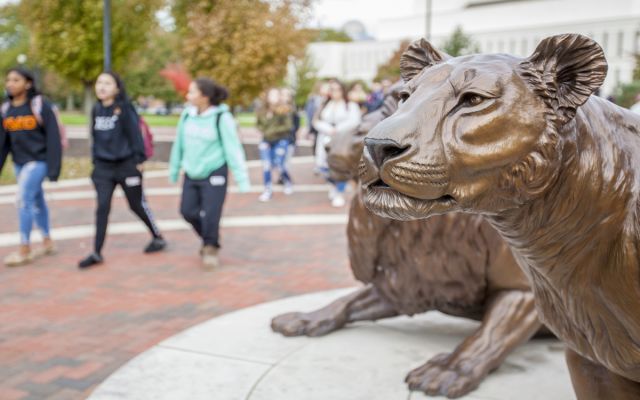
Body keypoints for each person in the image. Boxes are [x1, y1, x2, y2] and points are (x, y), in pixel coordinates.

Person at [78, 72, 166, 269]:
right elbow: (94, 137)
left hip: (126, 166)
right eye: (99, 82)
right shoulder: (96, 109)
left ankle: (157, 236)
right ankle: (97, 252)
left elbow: (135, 135)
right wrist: (95, 162)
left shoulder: (125, 109)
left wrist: (139, 160)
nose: (102, 87)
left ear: (117, 88)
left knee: (136, 205)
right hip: (103, 168)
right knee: (102, 208)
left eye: (107, 83)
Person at [169, 78, 250, 269]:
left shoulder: (222, 118)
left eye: (192, 92)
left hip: (215, 171)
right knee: (187, 211)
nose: (188, 96)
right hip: (191, 171)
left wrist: (242, 178)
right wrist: (174, 169)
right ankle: (209, 237)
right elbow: (179, 143)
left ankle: (211, 247)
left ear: (204, 97)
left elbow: (233, 148)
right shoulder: (187, 116)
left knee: (212, 214)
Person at [0, 67, 62, 266]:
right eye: (8, 80)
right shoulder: (5, 109)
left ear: (28, 83)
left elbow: (54, 138)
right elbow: (3, 143)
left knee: (23, 200)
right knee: (37, 200)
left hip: (38, 162)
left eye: (16, 80)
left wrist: (54, 170)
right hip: (19, 163)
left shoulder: (39, 105)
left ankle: (25, 248)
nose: (10, 83)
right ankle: (47, 241)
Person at [312, 79, 361, 207]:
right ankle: (334, 187)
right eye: (332, 89)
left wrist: (337, 129)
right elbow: (316, 121)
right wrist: (327, 129)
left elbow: (355, 121)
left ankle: (339, 192)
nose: (335, 92)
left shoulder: (350, 105)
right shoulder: (325, 105)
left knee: (339, 167)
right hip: (325, 139)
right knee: (325, 168)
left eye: (337, 89)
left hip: (342, 141)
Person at [256, 88, 294, 202]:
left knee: (279, 163)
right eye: (271, 95)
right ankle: (268, 189)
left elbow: (288, 126)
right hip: (266, 140)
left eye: (276, 95)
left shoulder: (284, 110)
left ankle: (287, 181)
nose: (274, 98)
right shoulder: (262, 110)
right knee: (266, 165)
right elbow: (258, 124)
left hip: (280, 140)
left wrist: (272, 130)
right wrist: (264, 130)